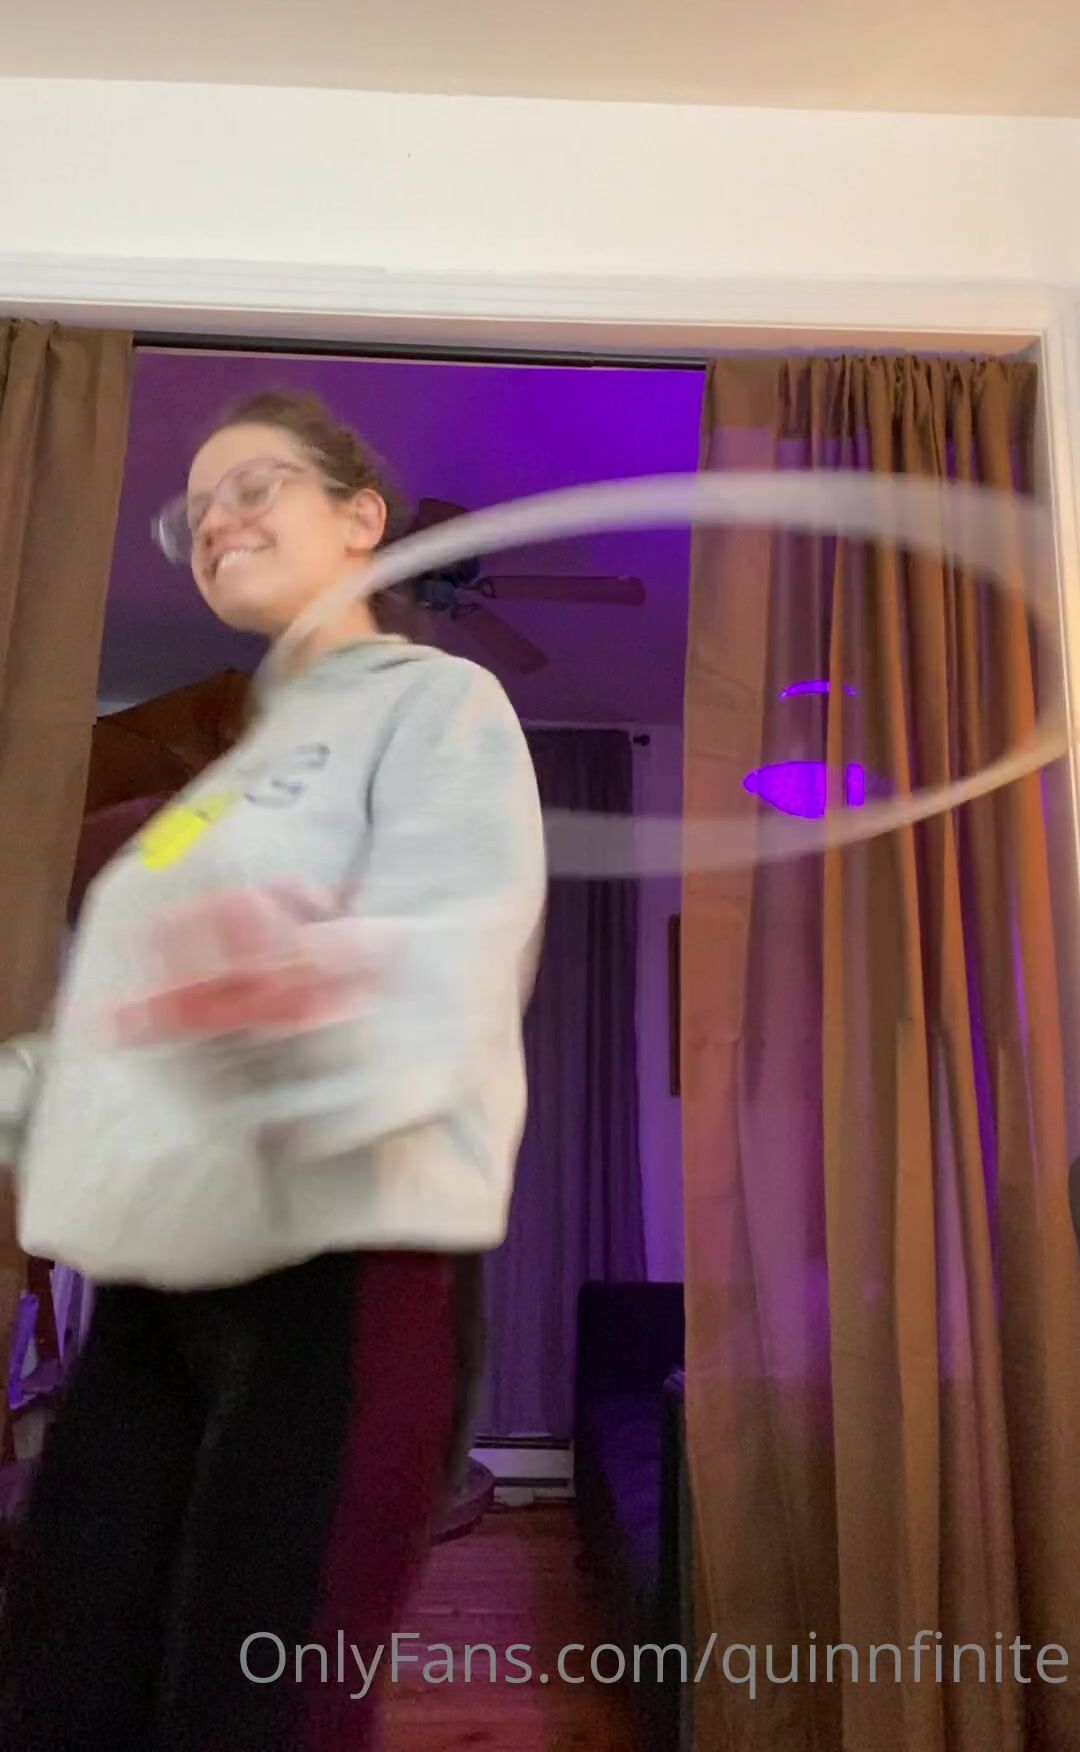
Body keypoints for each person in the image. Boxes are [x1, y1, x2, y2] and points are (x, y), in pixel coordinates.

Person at [0, 390, 547, 1751]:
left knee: (254, 1710)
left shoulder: (440, 704)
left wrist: (287, 1001)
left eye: (255, 485)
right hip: (158, 1280)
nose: (213, 521)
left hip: (340, 1268)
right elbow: (116, 1048)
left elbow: (453, 976)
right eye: (195, 508)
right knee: (61, 1688)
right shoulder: (214, 796)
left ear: (362, 519)